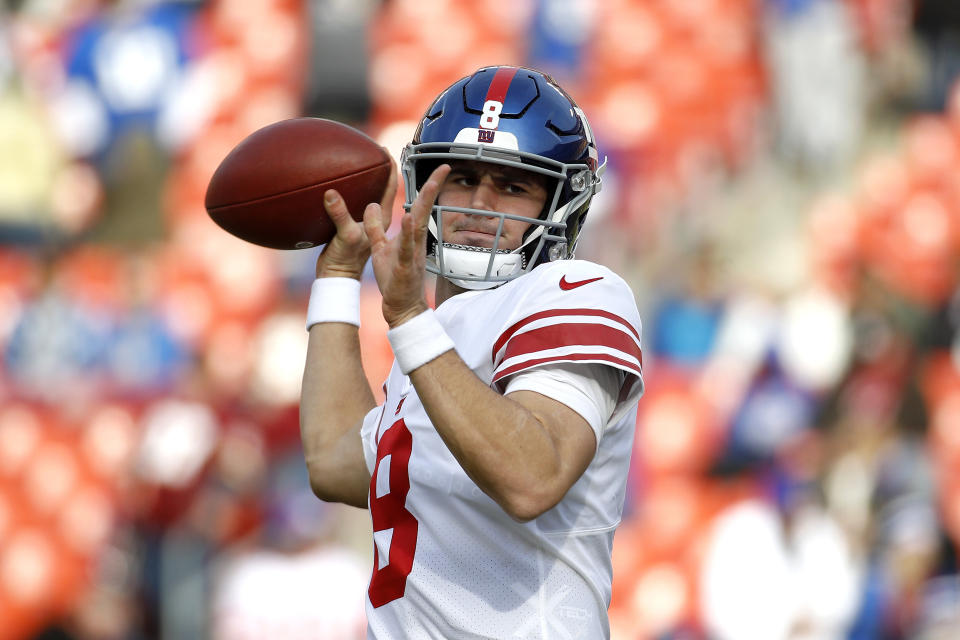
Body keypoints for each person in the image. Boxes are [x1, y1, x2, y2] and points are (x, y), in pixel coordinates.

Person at [300, 65, 644, 639]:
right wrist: (338, 275)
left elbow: (532, 477)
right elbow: (333, 461)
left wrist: (410, 320)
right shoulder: (437, 341)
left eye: (513, 185)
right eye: (458, 179)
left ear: (561, 204)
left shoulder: (576, 290)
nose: (480, 204)